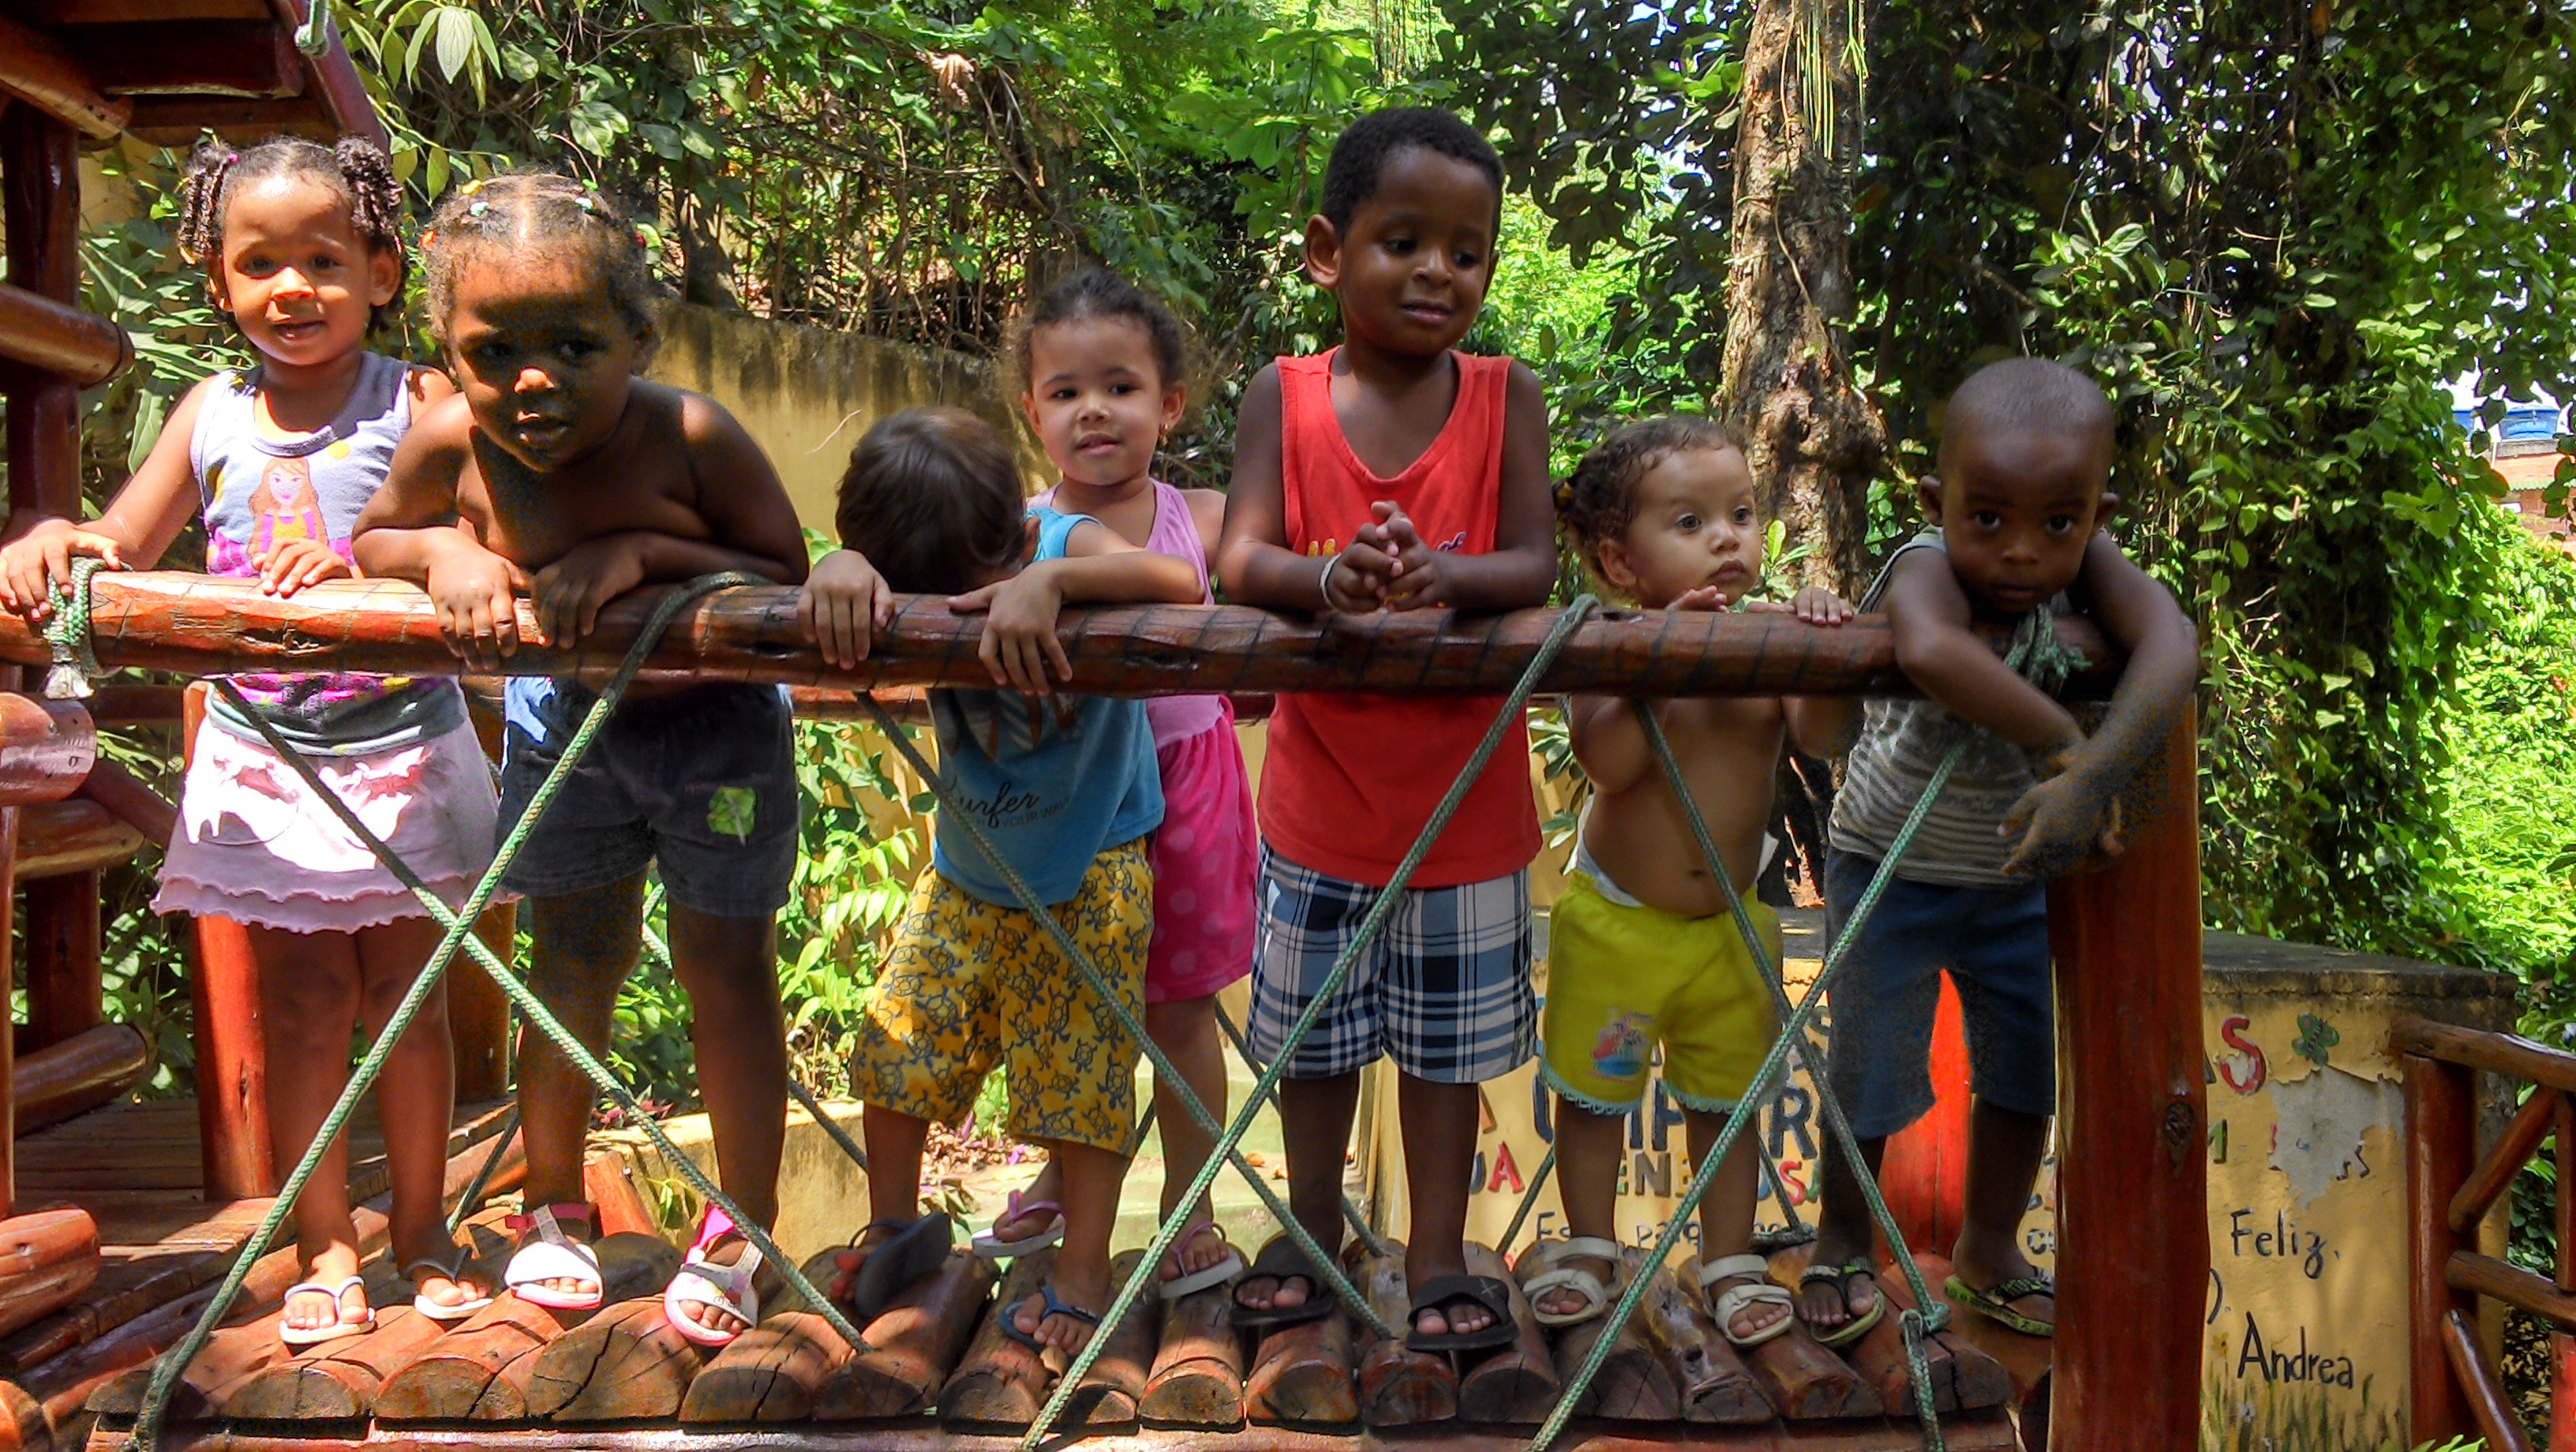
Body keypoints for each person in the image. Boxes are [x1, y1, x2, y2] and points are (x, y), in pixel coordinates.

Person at [0, 137, 492, 1347]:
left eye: (323, 260)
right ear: (217, 282)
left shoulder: (419, 402)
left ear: (381, 271)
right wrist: (61, 539)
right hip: (267, 754)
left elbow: (479, 534)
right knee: (307, 1000)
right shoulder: (213, 410)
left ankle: (420, 1232)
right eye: (259, 262)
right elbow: (127, 528)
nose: (292, 288)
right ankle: (326, 1240)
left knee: (407, 997)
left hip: (405, 742)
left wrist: (416, 554)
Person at [352, 171, 810, 1349]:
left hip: (716, 730)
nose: (532, 377)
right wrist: (443, 556)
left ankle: (741, 1227)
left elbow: (786, 569)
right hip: (570, 727)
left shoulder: (692, 435)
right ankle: (549, 1203)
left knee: (727, 965)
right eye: (494, 349)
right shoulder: (453, 439)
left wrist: (641, 549)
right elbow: (375, 537)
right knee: (571, 962)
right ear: (445, 349)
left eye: (572, 343)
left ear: (639, 338)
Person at [1215, 106, 1557, 1352]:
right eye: (1402, 241)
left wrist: (1435, 581)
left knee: (1445, 1057)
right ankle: (1311, 1229)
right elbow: (1241, 557)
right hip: (1316, 806)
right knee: (1311, 1048)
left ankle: (1434, 1255)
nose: (1436, 272)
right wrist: (1328, 583)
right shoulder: (1286, 397)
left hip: (1466, 812)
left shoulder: (1506, 399)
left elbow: (1532, 564)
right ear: (1326, 252)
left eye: (1466, 253)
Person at [1792, 357, 2198, 1346]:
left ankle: (1989, 1246)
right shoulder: (1924, 563)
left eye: (2058, 523)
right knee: (1870, 1066)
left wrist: (2096, 777)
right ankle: (1842, 1242)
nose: (2022, 551)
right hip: (1891, 863)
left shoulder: (2090, 561)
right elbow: (1931, 651)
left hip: (2013, 874)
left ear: (2096, 513)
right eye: (1989, 518)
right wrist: (2071, 753)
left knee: (2023, 1072)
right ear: (1940, 500)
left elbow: (2173, 646)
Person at [803, 407, 1205, 1360]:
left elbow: (1181, 580)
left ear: (1017, 539)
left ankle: (1083, 1270)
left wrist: (1050, 580)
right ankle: (894, 1231)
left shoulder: (1059, 537)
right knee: (896, 1044)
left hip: (1092, 866)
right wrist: (839, 570)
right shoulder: (896, 568)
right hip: (967, 872)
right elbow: (830, 577)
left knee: (1081, 1075)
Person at [1518, 417, 1853, 1347]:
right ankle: (1590, 1244)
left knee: (1726, 1099)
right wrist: (1663, 658)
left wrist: (1821, 642)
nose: (1728, 537)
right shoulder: (1608, 641)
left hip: (1731, 929)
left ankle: (1729, 1257)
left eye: (1741, 514)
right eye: (1693, 521)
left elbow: (1822, 737)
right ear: (1621, 561)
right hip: (1621, 928)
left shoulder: (1766, 642)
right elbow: (1614, 762)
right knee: (1594, 1098)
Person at [964, 269, 1252, 1300]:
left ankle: (1195, 1208)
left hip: (1186, 784)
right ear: (1030, 412)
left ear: (1170, 405)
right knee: (1068, 1005)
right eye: (1066, 390)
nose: (1095, 408)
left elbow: (1275, 597)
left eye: (1122, 386)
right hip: (1071, 798)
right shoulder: (1007, 528)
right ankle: (1058, 1170)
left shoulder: (1209, 518)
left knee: (1179, 1010)